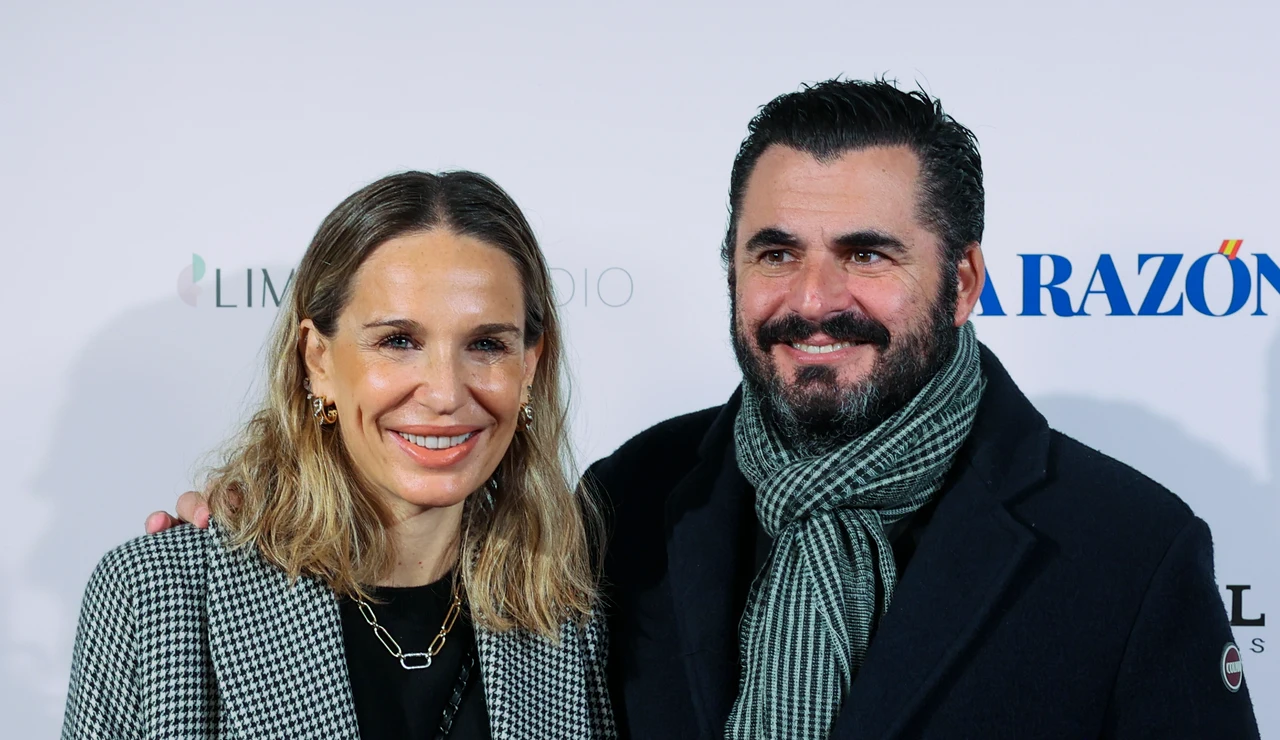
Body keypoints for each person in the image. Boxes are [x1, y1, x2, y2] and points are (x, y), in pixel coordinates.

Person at [148, 80, 1262, 739]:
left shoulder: (1128, 549)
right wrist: (264, 517)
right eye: (773, 251)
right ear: (729, 267)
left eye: (866, 253)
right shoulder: (623, 505)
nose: (813, 299)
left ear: (962, 279)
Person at [66, 171, 615, 739]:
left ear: (528, 367)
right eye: (398, 341)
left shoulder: (570, 609)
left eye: (486, 345)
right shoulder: (157, 599)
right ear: (317, 361)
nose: (447, 393)